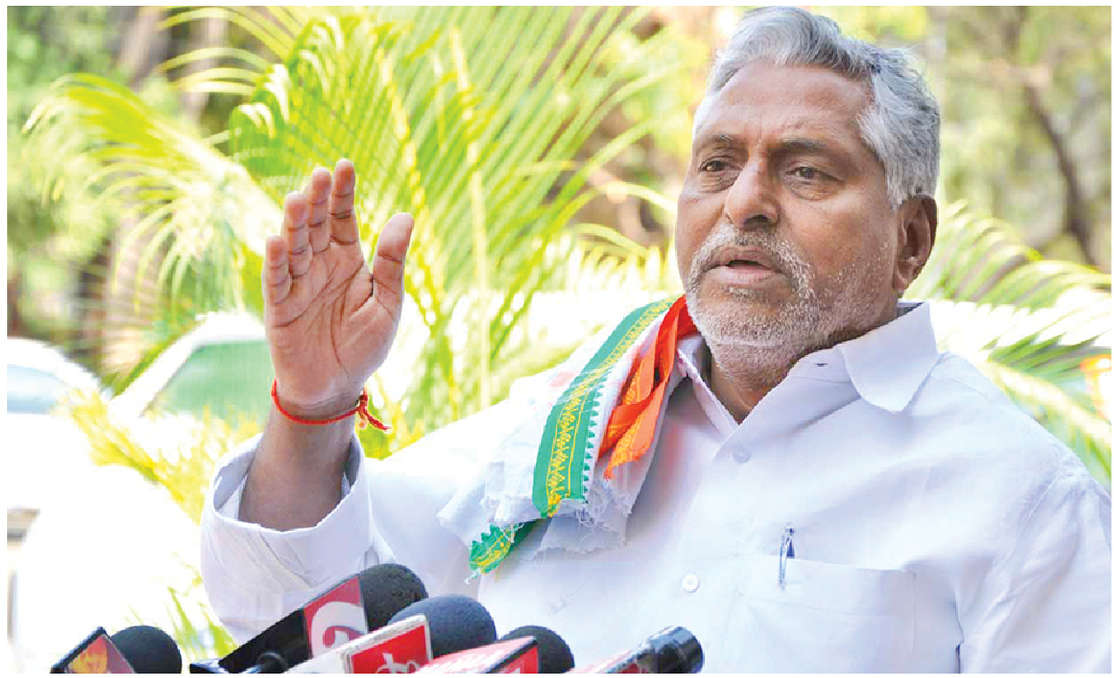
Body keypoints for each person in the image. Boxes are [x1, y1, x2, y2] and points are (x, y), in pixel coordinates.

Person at [200, 7, 1111, 672]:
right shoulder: (575, 417)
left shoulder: (1024, 501)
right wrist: (314, 405)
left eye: (805, 171)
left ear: (910, 240)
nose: (744, 202)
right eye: (717, 164)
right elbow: (299, 612)